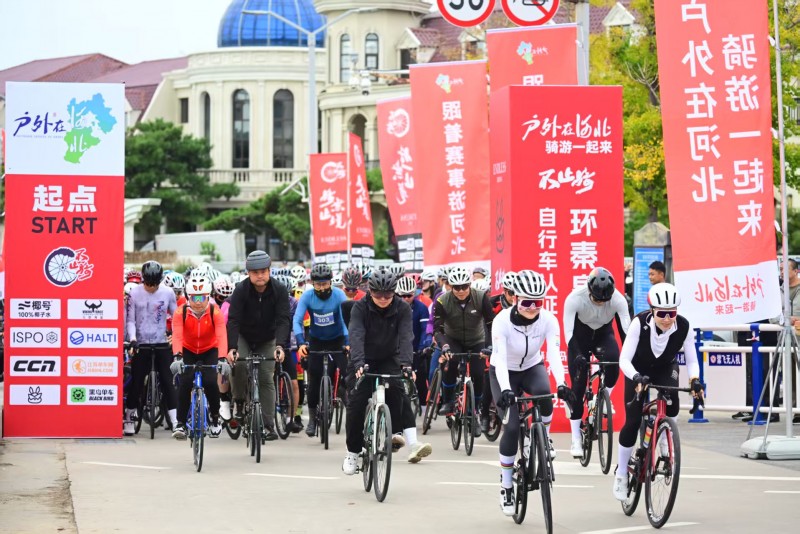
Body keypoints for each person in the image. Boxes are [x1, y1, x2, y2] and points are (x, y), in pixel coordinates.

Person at [490, 270, 575, 516]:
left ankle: (543, 437)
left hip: (531, 367)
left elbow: (554, 353)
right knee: (512, 427)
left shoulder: (548, 319)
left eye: (538, 302)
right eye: (527, 303)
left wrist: (562, 383)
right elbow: (501, 359)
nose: (533, 308)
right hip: (503, 372)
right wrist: (506, 389)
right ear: (515, 298)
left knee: (545, 395)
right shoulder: (501, 321)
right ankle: (507, 486)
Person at [612, 283, 703, 501]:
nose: (667, 318)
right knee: (633, 421)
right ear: (652, 310)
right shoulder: (639, 323)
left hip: (665, 367)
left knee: (672, 402)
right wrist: (635, 377)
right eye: (662, 313)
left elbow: (692, 360)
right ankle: (621, 473)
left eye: (672, 313)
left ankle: (664, 438)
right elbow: (624, 359)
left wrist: (695, 380)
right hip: (637, 369)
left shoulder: (684, 326)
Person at [342, 269, 432, 475]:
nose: (383, 298)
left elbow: (406, 337)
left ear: (394, 292)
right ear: (370, 291)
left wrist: (406, 365)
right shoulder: (359, 307)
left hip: (389, 357)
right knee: (356, 403)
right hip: (363, 358)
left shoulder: (402, 308)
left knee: (398, 390)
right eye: (378, 294)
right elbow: (356, 335)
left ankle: (395, 433)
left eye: (388, 294)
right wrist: (358, 363)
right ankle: (353, 452)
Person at [563, 267, 631, 458]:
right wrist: (577, 355)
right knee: (578, 387)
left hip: (603, 335)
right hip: (579, 338)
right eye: (596, 299)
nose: (601, 303)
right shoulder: (575, 298)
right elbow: (568, 332)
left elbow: (626, 332)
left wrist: (629, 355)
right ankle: (576, 438)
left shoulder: (618, 300)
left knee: (614, 364)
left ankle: (602, 398)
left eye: (604, 300)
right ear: (589, 290)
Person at [226, 250, 291, 442]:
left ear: (269, 271)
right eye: (255, 272)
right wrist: (232, 348)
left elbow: (283, 320)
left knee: (265, 378)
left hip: (267, 338)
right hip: (244, 336)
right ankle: (239, 402)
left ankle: (268, 425)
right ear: (248, 273)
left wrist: (280, 346)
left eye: (263, 271)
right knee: (239, 364)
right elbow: (233, 320)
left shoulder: (279, 290)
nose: (260, 276)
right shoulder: (241, 290)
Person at [434, 266, 495, 438]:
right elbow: (438, 330)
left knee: (478, 373)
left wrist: (490, 346)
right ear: (451, 287)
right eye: (456, 287)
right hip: (453, 339)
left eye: (464, 287)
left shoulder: (480, 297)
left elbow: (491, 324)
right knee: (451, 362)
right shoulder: (442, 301)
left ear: (469, 285)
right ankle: (448, 401)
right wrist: (444, 346)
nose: (461, 291)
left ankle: (474, 412)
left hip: (477, 340)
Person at [169, 274, 230, 439]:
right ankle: (180, 423)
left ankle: (215, 418)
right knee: (185, 383)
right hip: (188, 350)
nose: (198, 302)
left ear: (208, 296)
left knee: (210, 382)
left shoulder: (215, 312)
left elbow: (221, 335)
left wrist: (222, 358)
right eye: (194, 297)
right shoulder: (180, 312)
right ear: (188, 297)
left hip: (210, 349)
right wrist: (177, 357)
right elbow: (177, 336)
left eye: (202, 297)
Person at [293, 263, 349, 437]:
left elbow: (346, 320)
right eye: (318, 284)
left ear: (330, 282)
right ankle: (312, 419)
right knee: (314, 380)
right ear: (312, 283)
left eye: (325, 284)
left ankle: (345, 398)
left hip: (338, 339)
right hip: (316, 341)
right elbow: (297, 320)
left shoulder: (339, 295)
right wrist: (301, 342)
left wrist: (348, 342)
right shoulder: (307, 296)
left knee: (348, 373)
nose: (322, 288)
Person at [125, 261, 178, 436]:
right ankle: (129, 417)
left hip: (161, 342)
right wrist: (133, 339)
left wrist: (174, 335)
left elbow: (176, 317)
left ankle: (175, 421)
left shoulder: (168, 292)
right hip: (141, 342)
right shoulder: (134, 293)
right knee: (137, 380)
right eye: (148, 284)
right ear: (143, 279)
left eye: (154, 284)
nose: (151, 287)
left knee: (168, 380)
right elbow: (130, 320)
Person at [396, 275, 432, 406]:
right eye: (402, 296)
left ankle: (423, 404)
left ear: (414, 294)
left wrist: (423, 346)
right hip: (397, 346)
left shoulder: (421, 308)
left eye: (409, 295)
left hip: (416, 346)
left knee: (421, 376)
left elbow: (424, 329)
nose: (406, 298)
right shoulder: (392, 307)